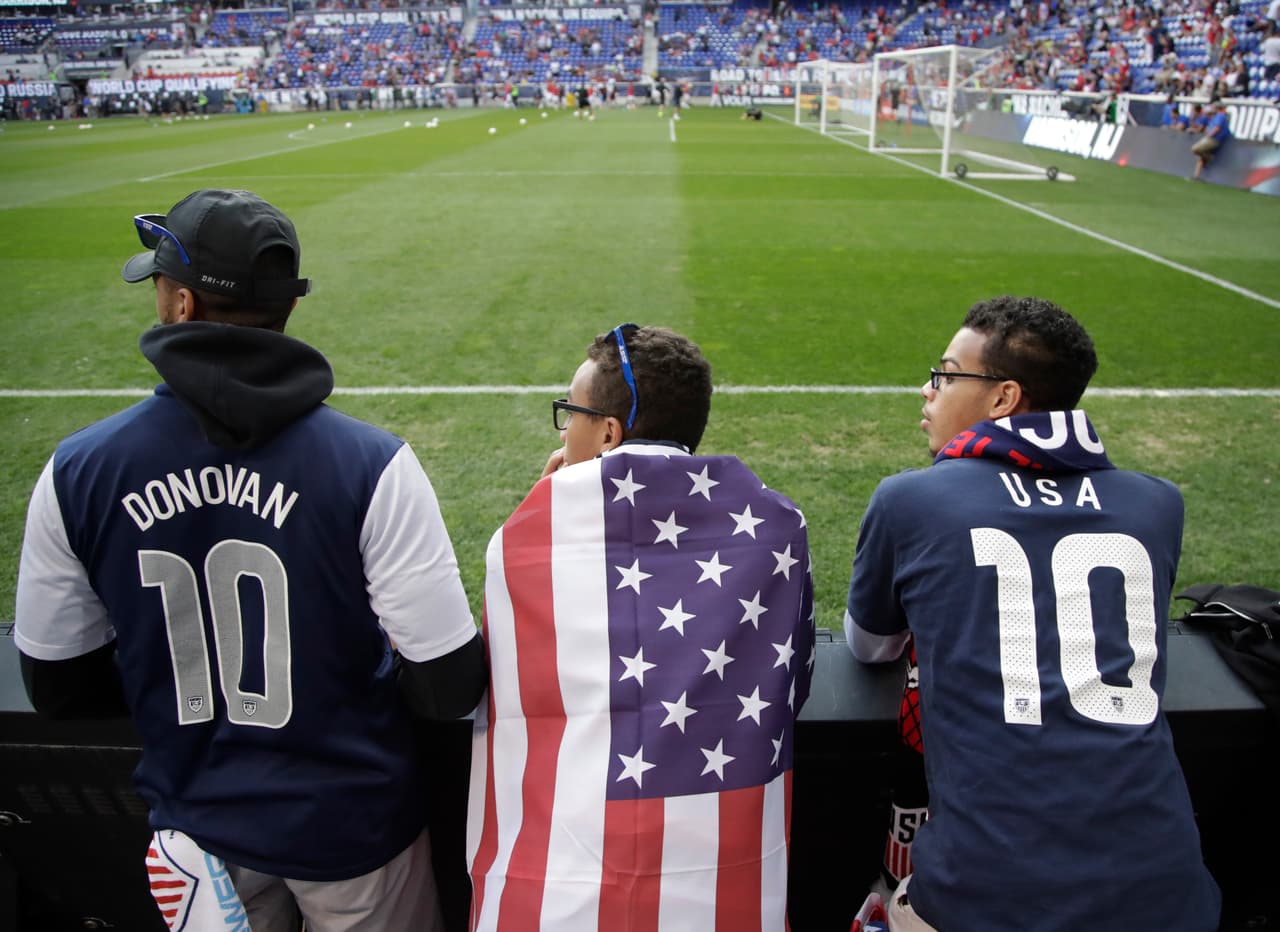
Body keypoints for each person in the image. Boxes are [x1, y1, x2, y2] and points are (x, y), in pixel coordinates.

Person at [14, 188, 487, 932]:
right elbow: (447, 681)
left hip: (199, 830)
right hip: (354, 828)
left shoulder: (77, 471)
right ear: (287, 309)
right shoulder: (373, 464)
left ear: (179, 307)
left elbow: (57, 685)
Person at [844, 296, 1221, 932]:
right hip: (1169, 891)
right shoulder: (1158, 503)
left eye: (944, 373)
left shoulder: (912, 499)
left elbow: (870, 645)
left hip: (988, 895)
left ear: (1002, 398)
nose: (927, 390)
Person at [467, 325, 815, 930]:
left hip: (561, 886)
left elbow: (492, 674)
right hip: (719, 888)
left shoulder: (527, 539)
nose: (563, 429)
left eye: (569, 413)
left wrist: (543, 506)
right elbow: (795, 682)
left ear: (608, 431)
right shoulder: (780, 525)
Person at [1192, 99, 1232, 179]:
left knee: (1195, 149)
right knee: (1201, 156)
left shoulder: (1221, 116)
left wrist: (1209, 135)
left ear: (1217, 108)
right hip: (1211, 138)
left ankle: (1209, 158)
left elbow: (1217, 128)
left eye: (1213, 107)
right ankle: (1196, 176)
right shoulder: (1216, 117)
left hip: (1214, 139)